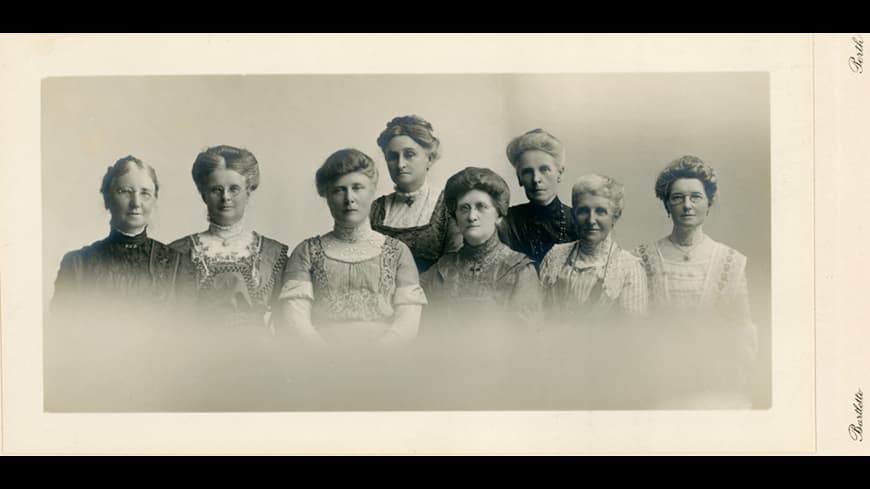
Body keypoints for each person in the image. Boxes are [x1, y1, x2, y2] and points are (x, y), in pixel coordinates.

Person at [634, 155, 758, 407]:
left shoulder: (730, 261)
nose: (687, 205)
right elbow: (635, 330)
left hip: (715, 387)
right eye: (677, 198)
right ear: (667, 205)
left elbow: (742, 331)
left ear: (708, 204)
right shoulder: (641, 258)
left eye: (695, 197)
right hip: (660, 386)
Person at [279, 148, 426, 348]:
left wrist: (372, 357)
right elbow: (297, 321)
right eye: (339, 190)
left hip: (385, 362)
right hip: (321, 362)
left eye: (357, 187)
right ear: (326, 195)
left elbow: (407, 322)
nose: (349, 198)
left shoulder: (398, 252)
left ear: (372, 190)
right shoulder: (306, 252)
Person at [170, 145, 289, 329]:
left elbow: (284, 324)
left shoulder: (273, 254)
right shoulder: (178, 253)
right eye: (216, 190)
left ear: (248, 192)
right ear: (204, 195)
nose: (226, 197)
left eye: (234, 189)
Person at [51, 155, 182, 314]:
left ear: (154, 200)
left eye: (145, 193)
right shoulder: (77, 265)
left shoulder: (178, 265)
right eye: (125, 192)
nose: (136, 203)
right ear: (107, 198)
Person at [421, 166, 542, 330]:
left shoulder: (520, 271)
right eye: (464, 208)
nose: (471, 217)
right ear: (455, 218)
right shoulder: (441, 270)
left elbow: (524, 337)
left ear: (498, 215)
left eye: (481, 207)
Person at [539, 174, 647, 323]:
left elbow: (632, 332)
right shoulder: (555, 256)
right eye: (583, 211)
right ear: (574, 214)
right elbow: (536, 317)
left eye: (601, 211)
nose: (591, 220)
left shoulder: (628, 268)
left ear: (615, 216)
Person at [370, 115, 462, 273]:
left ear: (430, 159)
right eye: (392, 157)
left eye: (409, 154)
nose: (400, 164)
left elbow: (453, 268)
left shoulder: (448, 206)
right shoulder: (375, 209)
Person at [498, 129, 579, 270]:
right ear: (519, 178)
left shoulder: (578, 221)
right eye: (527, 172)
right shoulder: (507, 222)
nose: (536, 179)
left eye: (544, 169)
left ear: (559, 173)